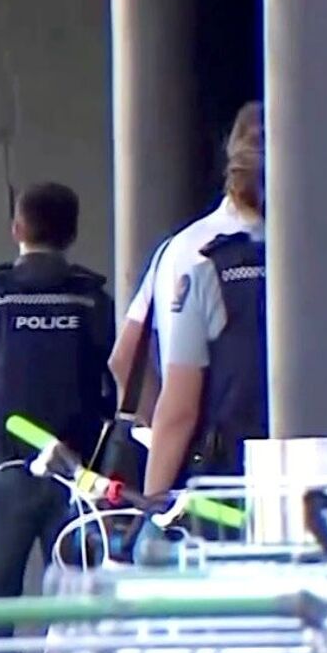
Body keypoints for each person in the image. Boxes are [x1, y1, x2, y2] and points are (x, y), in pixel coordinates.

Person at [0, 182, 115, 650]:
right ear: (72, 233)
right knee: (76, 601)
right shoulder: (93, 301)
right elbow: (121, 380)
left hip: (6, 467)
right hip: (78, 472)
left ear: (16, 230)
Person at [108, 101, 270, 430]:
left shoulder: (186, 248)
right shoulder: (319, 251)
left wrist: (162, 435)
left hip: (216, 458)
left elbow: (125, 359)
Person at [144, 102, 268, 494]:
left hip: (227, 479)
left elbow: (180, 406)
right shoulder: (326, 246)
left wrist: (152, 504)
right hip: (323, 471)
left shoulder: (193, 254)